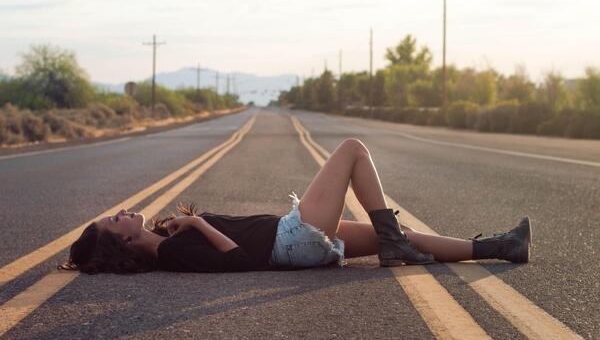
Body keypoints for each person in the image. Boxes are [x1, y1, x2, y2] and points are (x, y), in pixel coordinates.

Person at [59, 138, 532, 274]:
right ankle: (393, 245)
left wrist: (189, 224)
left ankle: (499, 247)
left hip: (294, 242)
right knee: (351, 150)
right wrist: (199, 223)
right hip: (289, 241)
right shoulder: (168, 253)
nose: (123, 212)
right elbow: (240, 260)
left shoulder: (167, 238)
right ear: (122, 240)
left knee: (406, 239)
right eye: (115, 219)